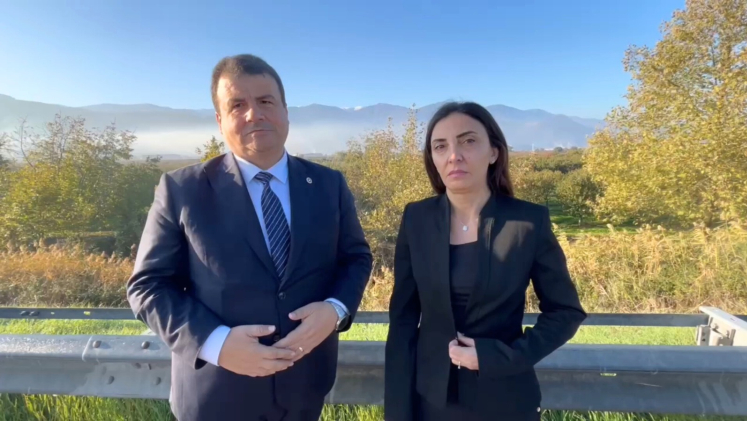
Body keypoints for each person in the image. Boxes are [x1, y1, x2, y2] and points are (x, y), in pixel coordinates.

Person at [126, 54, 373, 421]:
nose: (254, 114)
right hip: (215, 397)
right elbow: (148, 286)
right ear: (220, 120)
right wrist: (216, 343)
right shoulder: (182, 190)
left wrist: (335, 309)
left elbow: (356, 259)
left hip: (305, 390)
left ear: (285, 111)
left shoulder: (328, 184)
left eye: (266, 101)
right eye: (237, 105)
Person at [384, 101, 587, 421]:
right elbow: (403, 321)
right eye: (440, 146)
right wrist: (397, 412)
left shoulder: (528, 222)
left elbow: (565, 313)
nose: (454, 155)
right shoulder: (416, 219)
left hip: (505, 401)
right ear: (432, 158)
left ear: (494, 152)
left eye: (468, 141)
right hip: (431, 403)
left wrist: (498, 357)